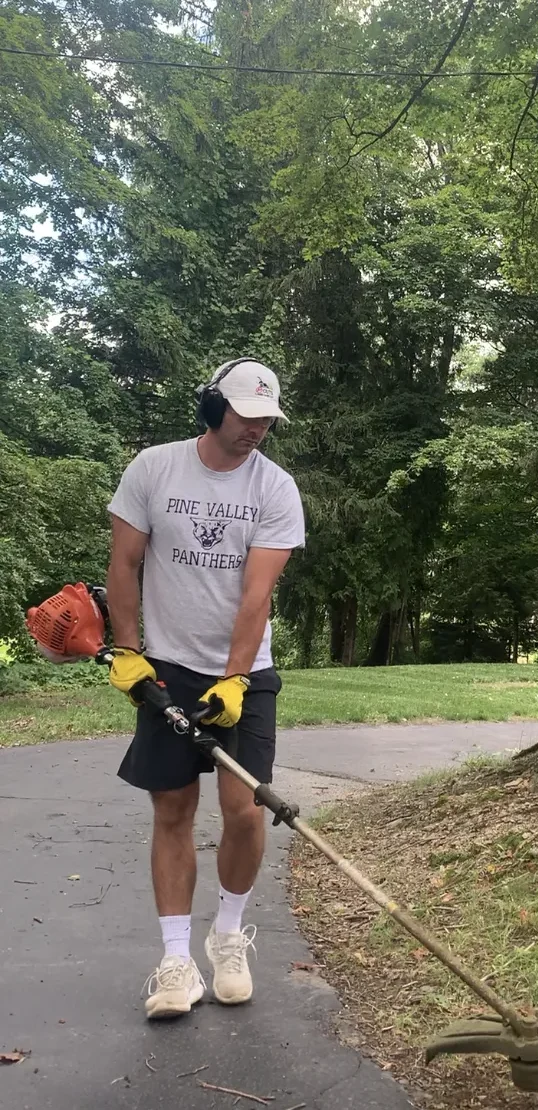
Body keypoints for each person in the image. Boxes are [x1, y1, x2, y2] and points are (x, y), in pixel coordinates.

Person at [105, 358, 305, 1020]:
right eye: (246, 419)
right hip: (165, 666)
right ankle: (175, 961)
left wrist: (236, 678)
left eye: (265, 423)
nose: (255, 432)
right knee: (171, 809)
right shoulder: (153, 470)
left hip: (243, 671)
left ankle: (227, 935)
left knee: (244, 808)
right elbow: (125, 564)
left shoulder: (275, 489)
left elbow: (257, 593)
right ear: (211, 409)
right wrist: (129, 654)